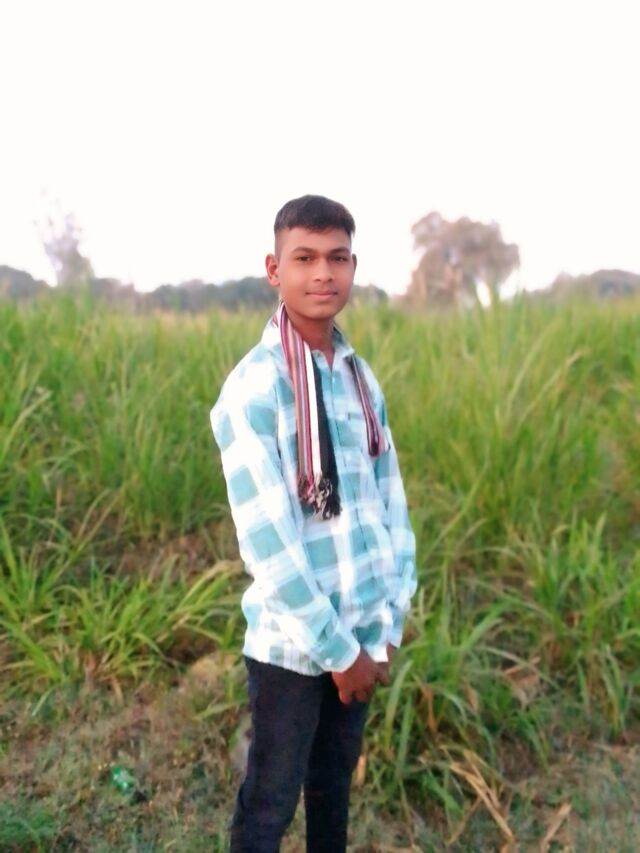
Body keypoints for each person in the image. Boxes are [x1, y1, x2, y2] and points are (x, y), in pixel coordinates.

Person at [210, 194, 417, 852]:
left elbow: (390, 502)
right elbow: (268, 546)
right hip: (294, 647)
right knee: (269, 801)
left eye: (337, 257)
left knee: (333, 788)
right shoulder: (254, 388)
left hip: (363, 632)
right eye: (304, 258)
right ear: (275, 270)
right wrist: (339, 652)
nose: (322, 273)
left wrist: (387, 622)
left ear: (353, 266)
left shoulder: (359, 379)